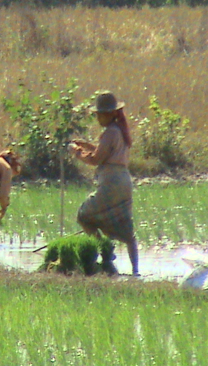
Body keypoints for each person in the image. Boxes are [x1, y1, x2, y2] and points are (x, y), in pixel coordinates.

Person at [68, 91, 139, 276]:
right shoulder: (121, 132)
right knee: (127, 229)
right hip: (124, 182)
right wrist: (86, 145)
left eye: (100, 114)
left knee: (84, 215)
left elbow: (96, 160)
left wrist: (76, 152)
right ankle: (135, 272)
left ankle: (106, 252)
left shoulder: (109, 133)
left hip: (111, 183)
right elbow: (105, 152)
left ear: (110, 114)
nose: (98, 118)